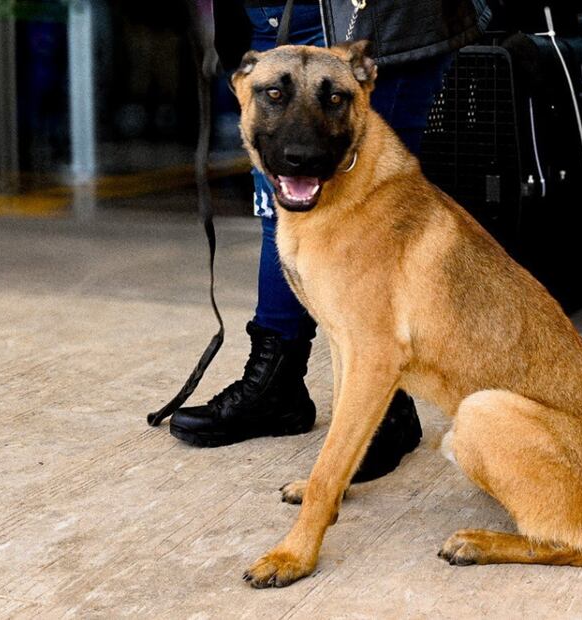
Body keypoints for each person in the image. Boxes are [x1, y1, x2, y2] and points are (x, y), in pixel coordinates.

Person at [168, 0, 491, 484]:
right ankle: (278, 380)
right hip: (275, 15)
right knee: (286, 204)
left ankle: (386, 410)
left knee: (373, 215)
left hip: (384, 17)